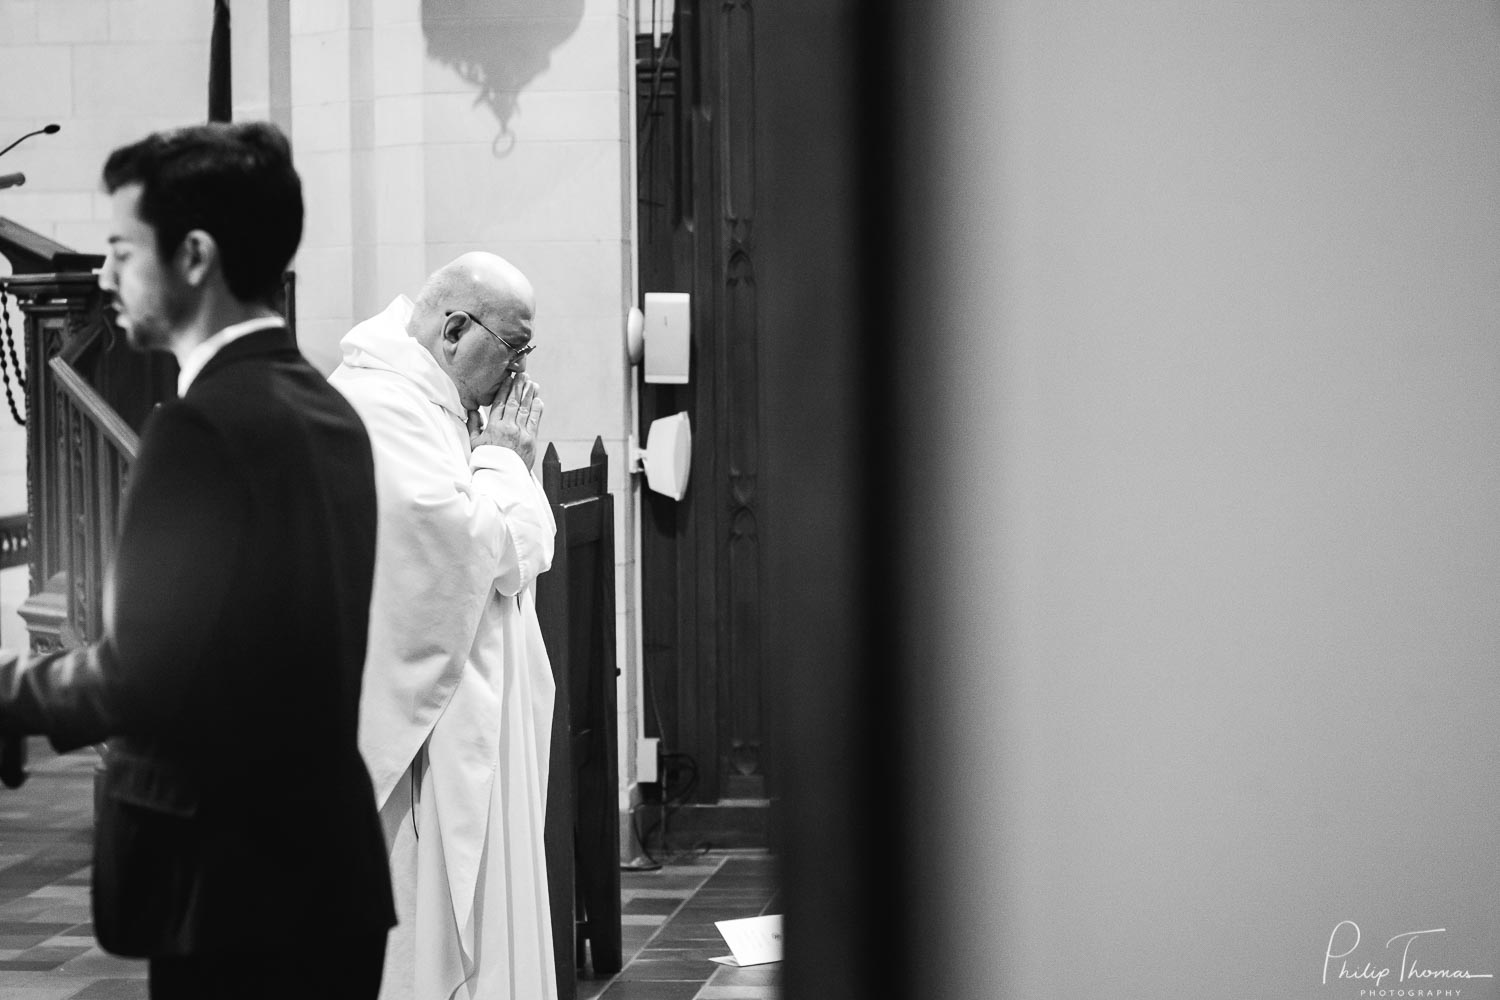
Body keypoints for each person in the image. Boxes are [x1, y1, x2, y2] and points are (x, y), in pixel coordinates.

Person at [0, 122, 395, 998]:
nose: (104, 276)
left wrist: (9, 696)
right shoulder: (328, 411)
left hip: (231, 888)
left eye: (120, 249)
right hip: (330, 877)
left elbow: (141, 672)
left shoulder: (200, 428)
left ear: (194, 256)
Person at [328, 253, 557, 1000]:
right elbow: (471, 550)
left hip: (465, 728)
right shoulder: (379, 405)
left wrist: (497, 467)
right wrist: (504, 463)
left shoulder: (431, 403)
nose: (520, 373)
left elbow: (508, 552)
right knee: (423, 949)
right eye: (514, 348)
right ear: (456, 329)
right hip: (420, 751)